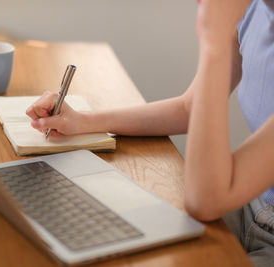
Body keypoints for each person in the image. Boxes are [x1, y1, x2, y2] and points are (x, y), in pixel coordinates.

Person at [26, 0, 274, 266]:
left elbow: (206, 201)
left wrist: (214, 42)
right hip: (250, 204)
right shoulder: (252, 10)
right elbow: (189, 108)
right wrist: (81, 121)